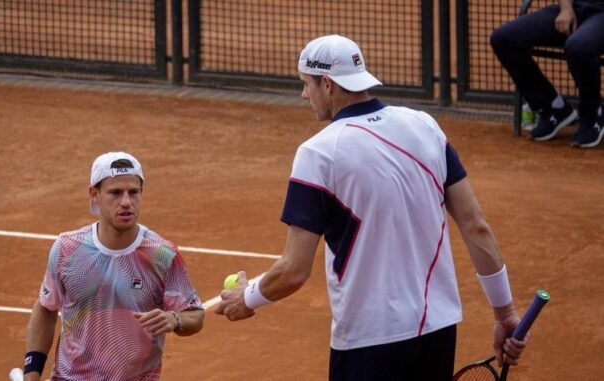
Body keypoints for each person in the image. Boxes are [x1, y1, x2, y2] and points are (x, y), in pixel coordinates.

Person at [216, 35, 527, 380]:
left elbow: (293, 271)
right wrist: (505, 314)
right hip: (437, 331)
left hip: (370, 340)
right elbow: (476, 227)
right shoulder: (425, 126)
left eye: (306, 84)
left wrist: (248, 298)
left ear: (327, 83)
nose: (305, 94)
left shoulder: (318, 153)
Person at [22, 152, 204, 380]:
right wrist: (31, 373)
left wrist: (174, 320)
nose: (126, 202)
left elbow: (195, 315)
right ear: (94, 194)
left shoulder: (162, 254)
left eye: (133, 192)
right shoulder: (67, 249)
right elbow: (46, 308)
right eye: (115, 193)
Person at [490, 0, 604, 148]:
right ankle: (553, 107)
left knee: (577, 47)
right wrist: (566, 9)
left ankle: (593, 113)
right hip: (576, 8)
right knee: (503, 39)